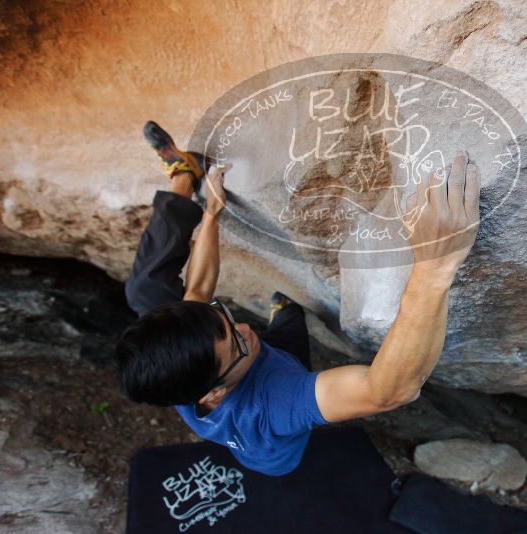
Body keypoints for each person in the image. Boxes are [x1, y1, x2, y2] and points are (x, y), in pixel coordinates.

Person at [115, 121, 480, 476]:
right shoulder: (273, 403)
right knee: (289, 321)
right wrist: (434, 268)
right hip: (277, 459)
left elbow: (196, 289)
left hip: (248, 375)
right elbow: (387, 391)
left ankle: (184, 176)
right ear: (215, 392)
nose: (245, 328)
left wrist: (211, 213)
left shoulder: (184, 371)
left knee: (144, 292)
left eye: (225, 318)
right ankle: (285, 313)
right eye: (236, 342)